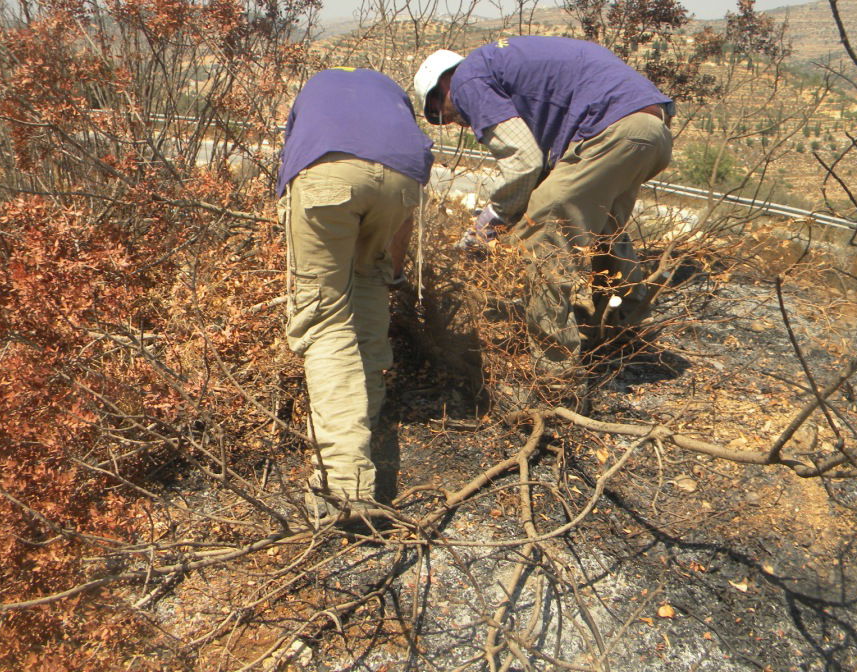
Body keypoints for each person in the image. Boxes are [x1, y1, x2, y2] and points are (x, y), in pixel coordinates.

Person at [414, 36, 673, 382]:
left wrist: (489, 223)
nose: (453, 122)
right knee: (601, 230)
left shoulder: (467, 79)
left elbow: (523, 163)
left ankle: (553, 376)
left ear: (441, 83)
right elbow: (543, 168)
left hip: (610, 130)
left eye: (438, 113)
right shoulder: (504, 66)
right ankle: (625, 330)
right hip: (652, 129)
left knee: (540, 235)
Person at [276, 67, 433, 525]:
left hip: (327, 173)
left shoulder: (313, 89)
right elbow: (403, 223)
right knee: (366, 289)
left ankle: (343, 486)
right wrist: (392, 272)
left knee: (324, 323)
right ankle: (365, 424)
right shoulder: (390, 94)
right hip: (401, 181)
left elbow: (296, 165)